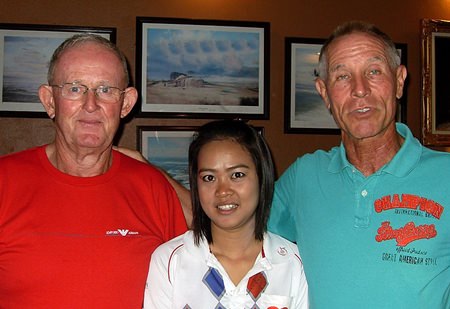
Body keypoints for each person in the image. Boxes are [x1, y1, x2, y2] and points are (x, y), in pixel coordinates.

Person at [267, 21, 450, 308]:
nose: (360, 89)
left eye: (374, 71)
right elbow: (228, 224)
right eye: (342, 77)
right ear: (324, 92)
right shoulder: (304, 177)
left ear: (399, 81)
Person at [0, 34, 187, 308]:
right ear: (50, 101)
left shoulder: (153, 187)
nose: (91, 104)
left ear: (125, 104)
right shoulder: (4, 182)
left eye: (105, 90)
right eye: (75, 89)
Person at [143, 120, 308, 308]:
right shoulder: (170, 260)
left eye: (237, 175)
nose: (222, 191)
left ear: (262, 178)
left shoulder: (293, 263)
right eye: (209, 178)